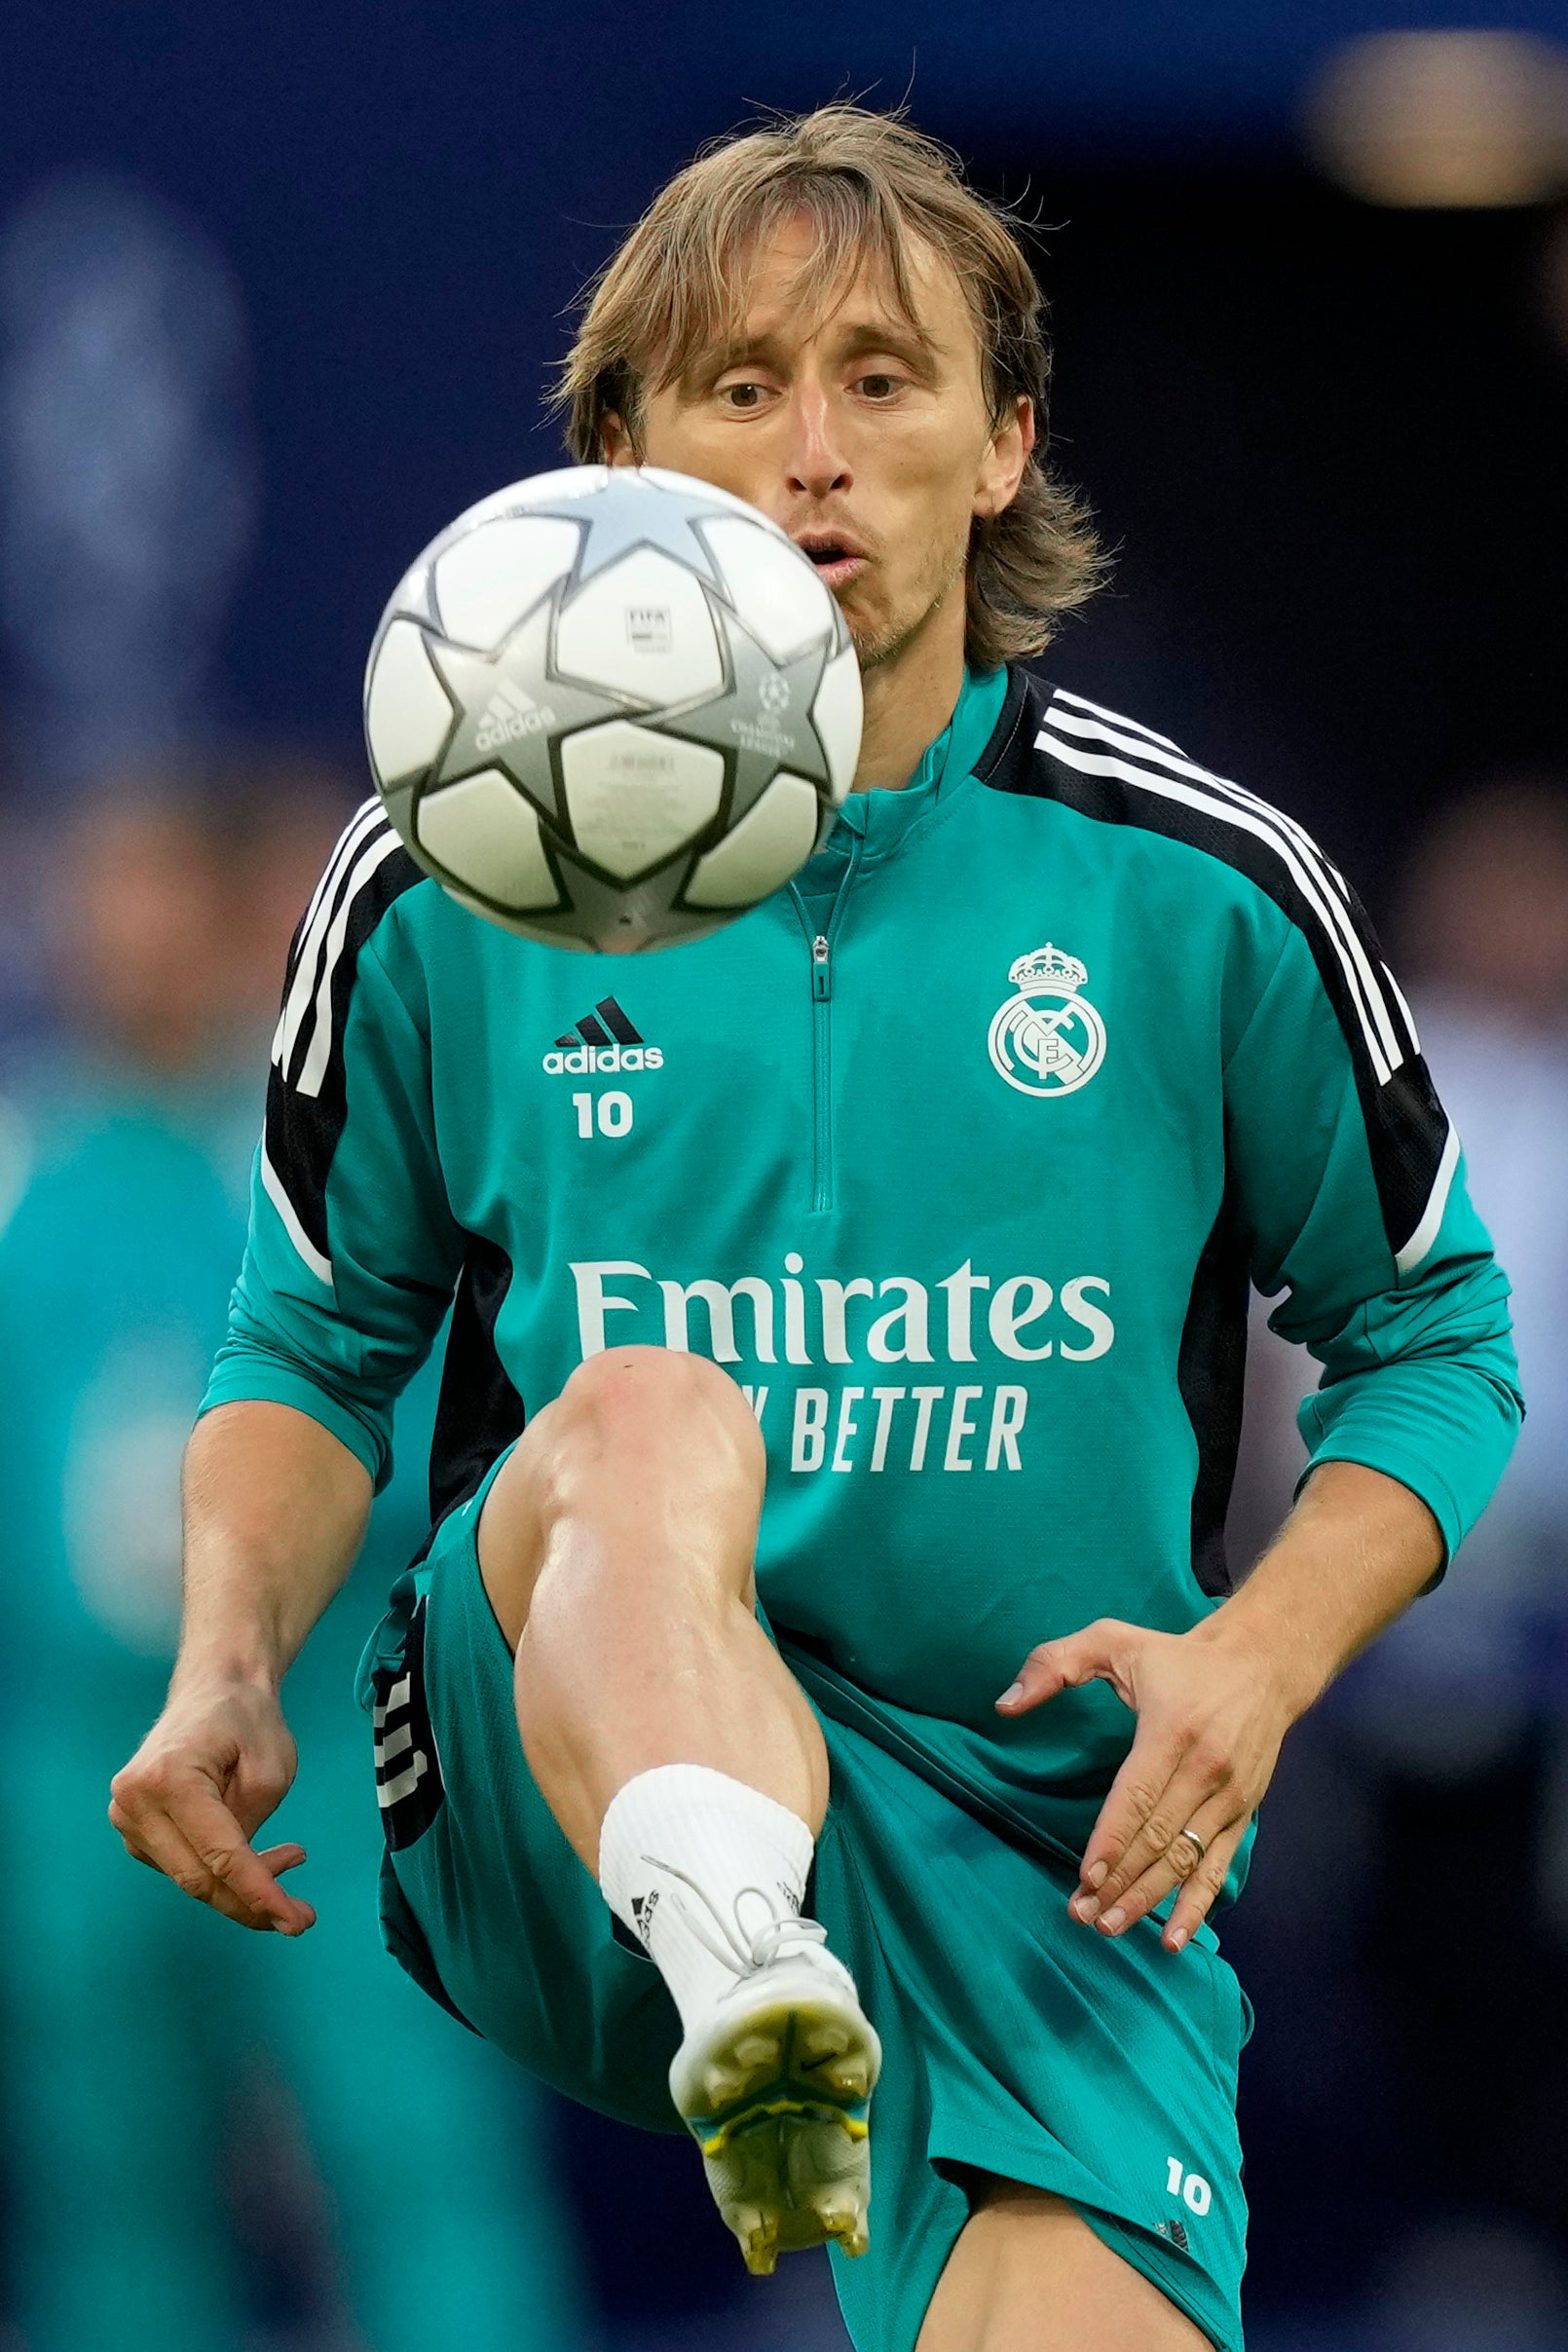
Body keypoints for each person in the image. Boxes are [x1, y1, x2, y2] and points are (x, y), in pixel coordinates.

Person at [109, 109, 1521, 2352]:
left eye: (884, 380)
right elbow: (310, 1343)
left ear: (1003, 443)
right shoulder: (445, 871)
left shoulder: (1200, 884)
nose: (816, 454)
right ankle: (748, 1963)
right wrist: (220, 1657)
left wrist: (1254, 1661)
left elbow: (1433, 1340)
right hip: (562, 1784)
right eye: (741, 388)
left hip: (1049, 1841)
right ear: (622, 454)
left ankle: (813, 2033)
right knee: (643, 1412)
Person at [1, 772, 586, 2352]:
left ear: (218, 919)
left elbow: (427, 1428)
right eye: (88, 897)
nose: (117, 936)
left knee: (413, 2152)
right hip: (75, 1762)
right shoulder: (21, 1172)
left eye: (151, 897)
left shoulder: (326, 1161)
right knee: (109, 2189)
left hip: (335, 1730)